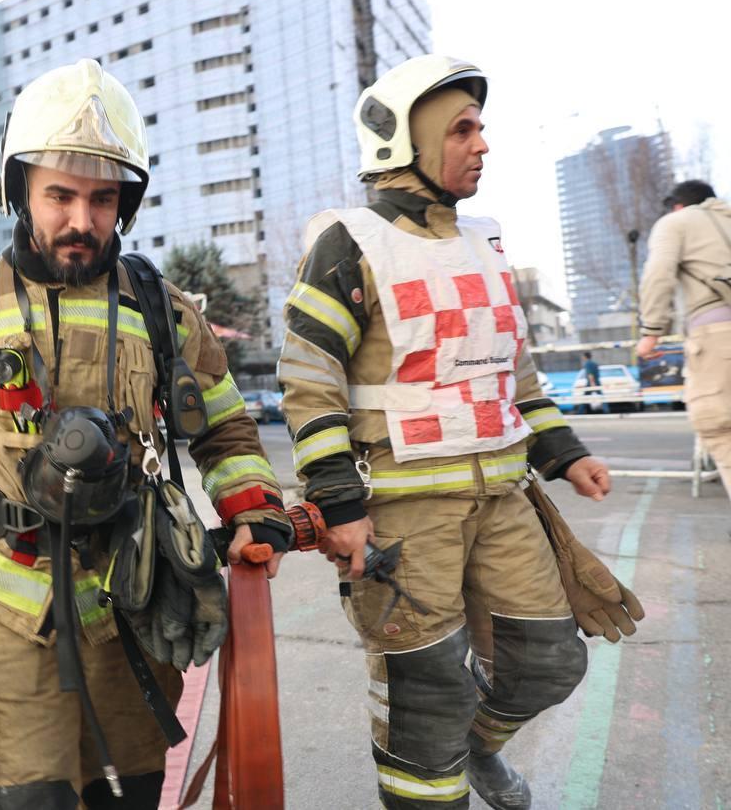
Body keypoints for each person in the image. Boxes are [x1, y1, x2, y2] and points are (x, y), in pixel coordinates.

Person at [0, 59, 291, 809]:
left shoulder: (163, 310)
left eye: (101, 198)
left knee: (131, 795)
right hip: (17, 614)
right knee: (34, 799)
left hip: (138, 607)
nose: (81, 219)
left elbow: (225, 427)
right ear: (21, 191)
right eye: (60, 195)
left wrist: (254, 508)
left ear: (125, 204)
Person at [278, 55, 614, 809]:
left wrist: (565, 452)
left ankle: (478, 747)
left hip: (503, 497)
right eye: (463, 129)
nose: (482, 143)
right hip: (402, 517)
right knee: (424, 699)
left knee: (551, 662)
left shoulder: (485, 242)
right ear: (408, 141)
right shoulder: (349, 243)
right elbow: (308, 378)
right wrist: (336, 499)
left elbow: (515, 375)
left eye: (480, 127)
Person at [637, 180, 731, 501]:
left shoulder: (675, 222)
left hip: (718, 334)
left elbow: (659, 272)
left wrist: (651, 331)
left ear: (678, 205)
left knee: (721, 430)